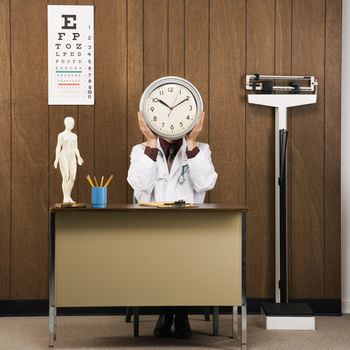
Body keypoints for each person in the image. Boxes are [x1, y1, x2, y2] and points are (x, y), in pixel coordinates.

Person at [127, 111, 218, 338]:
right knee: (163, 254)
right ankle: (168, 312)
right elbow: (138, 186)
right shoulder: (140, 151)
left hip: (189, 227)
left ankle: (180, 313)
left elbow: (206, 183)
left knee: (183, 253)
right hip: (153, 228)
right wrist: (150, 143)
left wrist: (192, 144)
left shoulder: (200, 150)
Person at [54, 116, 84, 203]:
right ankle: (65, 197)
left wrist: (79, 157)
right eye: (69, 123)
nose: (71, 125)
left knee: (73, 178)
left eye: (72, 123)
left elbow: (76, 148)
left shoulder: (75, 136)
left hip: (72, 157)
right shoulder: (61, 135)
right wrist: (56, 159)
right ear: (65, 123)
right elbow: (58, 147)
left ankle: (68, 196)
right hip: (64, 156)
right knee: (65, 177)